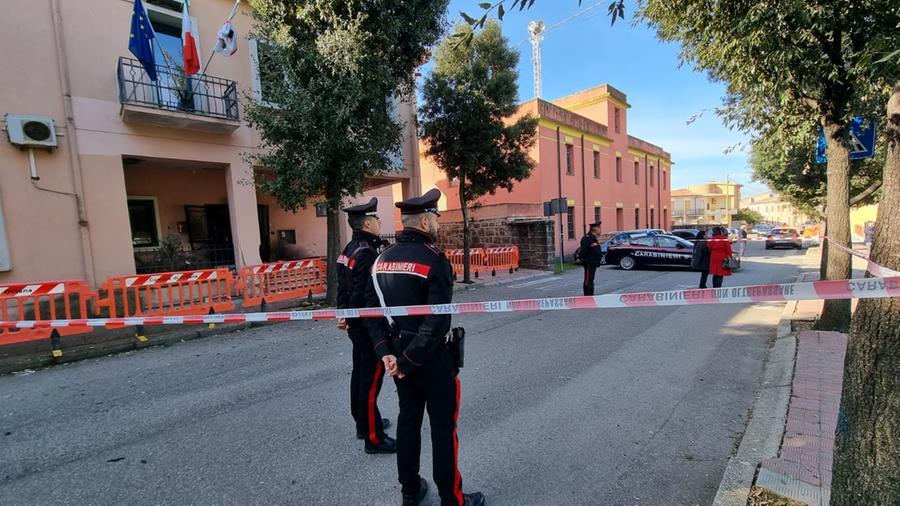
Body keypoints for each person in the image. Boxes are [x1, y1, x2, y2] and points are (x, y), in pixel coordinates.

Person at [365, 188, 485, 506]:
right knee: (444, 431)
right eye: (435, 216)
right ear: (424, 221)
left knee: (408, 423)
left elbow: (368, 311)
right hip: (431, 360)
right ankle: (452, 499)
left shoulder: (380, 260)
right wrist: (406, 359)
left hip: (399, 358)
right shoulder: (434, 260)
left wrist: (386, 354)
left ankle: (410, 492)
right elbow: (436, 323)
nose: (437, 221)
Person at [335, 197, 396, 454]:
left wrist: (343, 314)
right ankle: (373, 438)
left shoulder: (349, 248)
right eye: (377, 219)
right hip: (367, 326)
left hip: (354, 323)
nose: (380, 222)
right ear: (368, 223)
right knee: (370, 380)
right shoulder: (368, 252)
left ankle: (363, 421)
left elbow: (343, 288)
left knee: (360, 374)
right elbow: (364, 295)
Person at [579, 222, 604, 296]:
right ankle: (587, 295)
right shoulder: (587, 238)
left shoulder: (593, 238)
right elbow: (583, 251)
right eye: (599, 228)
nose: (600, 230)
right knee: (588, 280)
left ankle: (591, 295)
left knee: (591, 280)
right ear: (595, 229)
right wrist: (584, 260)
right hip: (589, 263)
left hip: (593, 263)